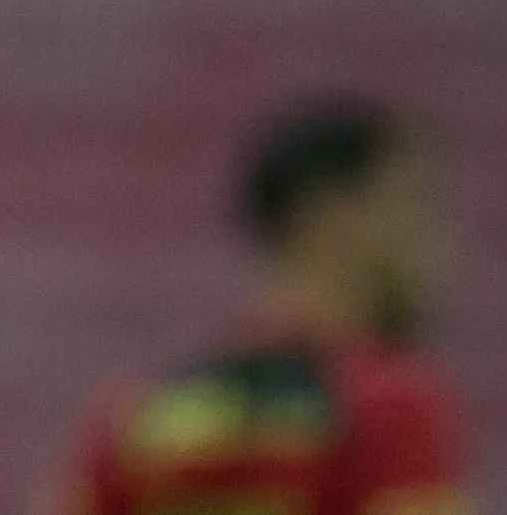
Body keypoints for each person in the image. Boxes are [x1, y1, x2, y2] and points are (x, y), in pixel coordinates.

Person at [44, 104, 473, 515]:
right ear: (336, 218)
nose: (439, 245)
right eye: (414, 206)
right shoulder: (392, 407)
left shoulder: (136, 415)